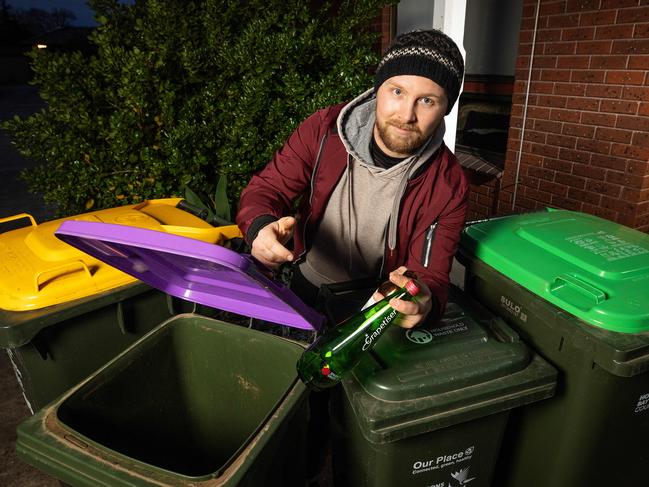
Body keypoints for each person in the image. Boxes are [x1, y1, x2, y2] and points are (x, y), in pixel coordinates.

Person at [236, 29, 468, 329]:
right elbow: (267, 187)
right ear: (378, 90)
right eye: (397, 92)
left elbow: (430, 275)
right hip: (302, 283)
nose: (407, 115)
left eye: (426, 101)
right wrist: (259, 226)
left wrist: (424, 303)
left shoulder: (448, 184)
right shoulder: (323, 130)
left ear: (445, 109)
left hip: (374, 307)